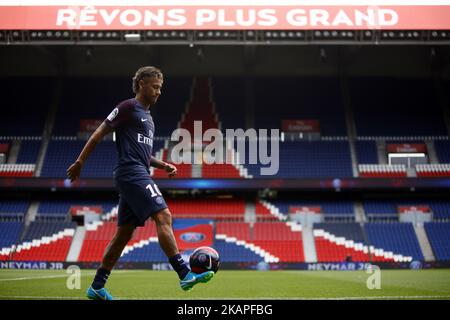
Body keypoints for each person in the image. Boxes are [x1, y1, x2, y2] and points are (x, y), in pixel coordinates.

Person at [66, 66, 214, 300]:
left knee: (123, 235)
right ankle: (184, 274)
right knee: (164, 216)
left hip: (139, 170)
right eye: (155, 87)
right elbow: (98, 133)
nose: (158, 92)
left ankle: (96, 286)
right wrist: (79, 162)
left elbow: (143, 155)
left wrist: (163, 165)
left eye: (160, 88)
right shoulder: (127, 107)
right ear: (142, 84)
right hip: (131, 173)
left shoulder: (149, 119)